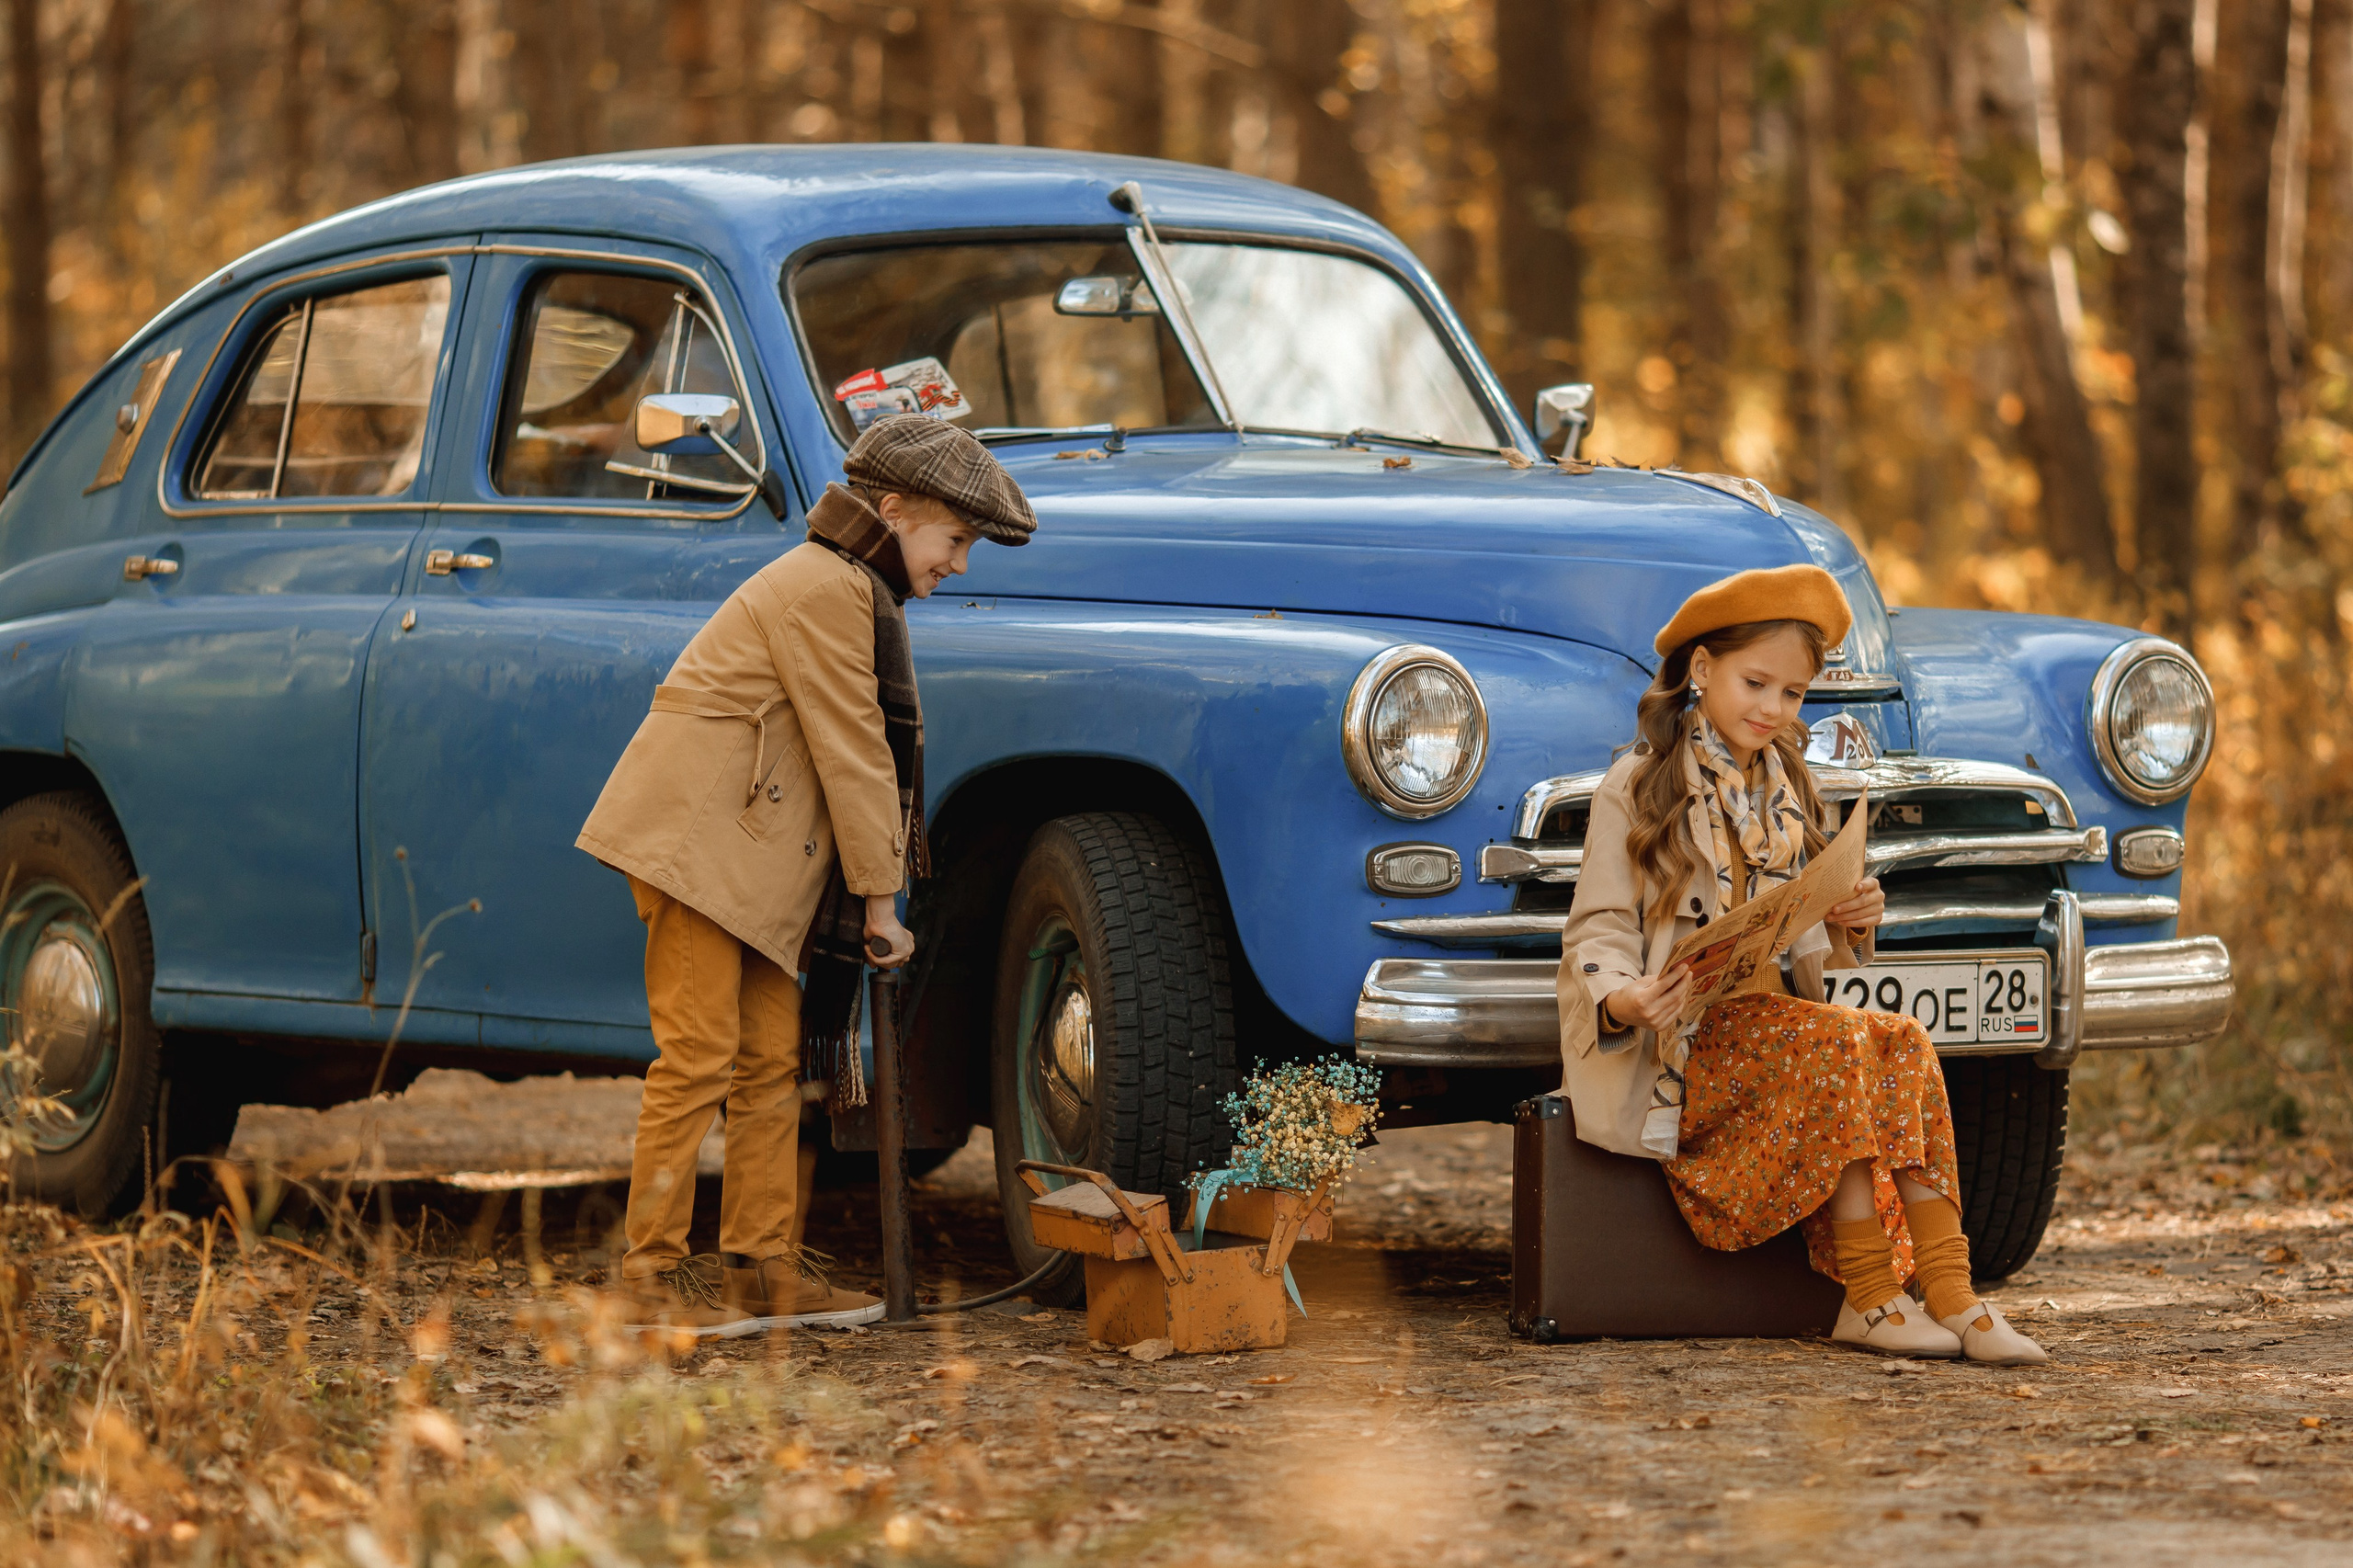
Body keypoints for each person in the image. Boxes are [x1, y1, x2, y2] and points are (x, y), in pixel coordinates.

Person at [577, 414, 1037, 1335]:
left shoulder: (852, 586)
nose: (960, 564)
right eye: (954, 539)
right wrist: (880, 896)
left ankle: (762, 1266)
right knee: (699, 1058)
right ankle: (649, 1278)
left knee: (765, 1066)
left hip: (740, 861)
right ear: (895, 509)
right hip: (699, 851)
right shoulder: (827, 587)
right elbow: (854, 749)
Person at [1557, 564, 2046, 1364]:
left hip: (1773, 1032)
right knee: (1838, 1045)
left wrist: (1852, 920)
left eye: (1792, 695)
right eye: (1756, 683)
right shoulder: (1639, 786)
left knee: (1901, 1038)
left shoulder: (1788, 783)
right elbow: (1597, 934)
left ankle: (1953, 1294)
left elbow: (1807, 942)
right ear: (1703, 669)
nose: (1772, 709)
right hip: (1688, 1049)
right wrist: (1627, 999)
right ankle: (1867, 1293)